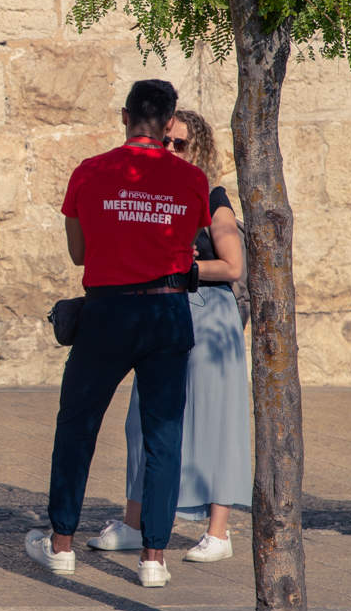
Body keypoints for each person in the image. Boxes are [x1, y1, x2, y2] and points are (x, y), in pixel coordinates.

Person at [25, 79, 210, 588]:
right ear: (170, 122)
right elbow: (191, 239)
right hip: (169, 311)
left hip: (107, 312)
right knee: (164, 436)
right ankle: (154, 558)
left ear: (124, 115)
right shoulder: (192, 179)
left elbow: (79, 253)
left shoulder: (90, 172)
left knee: (78, 425)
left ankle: (61, 544)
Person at [87, 109, 251, 562]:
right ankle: (134, 521)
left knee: (216, 419)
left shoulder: (211, 197)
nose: (170, 150)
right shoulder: (156, 195)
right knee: (143, 417)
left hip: (208, 312)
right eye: (166, 142)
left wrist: (182, 266)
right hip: (161, 310)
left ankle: (219, 531)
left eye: (180, 144)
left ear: (198, 149)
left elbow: (233, 266)